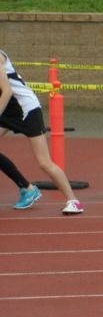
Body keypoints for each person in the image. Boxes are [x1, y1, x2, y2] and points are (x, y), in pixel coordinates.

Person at [0, 49, 83, 214]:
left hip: (27, 109)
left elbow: (7, 90)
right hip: (8, 110)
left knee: (44, 162)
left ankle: (74, 201)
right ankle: (27, 189)